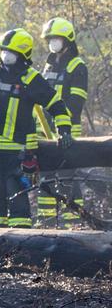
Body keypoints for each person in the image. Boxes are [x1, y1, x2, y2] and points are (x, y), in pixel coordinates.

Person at [0, 29, 72, 228]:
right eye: (4, 51)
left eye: (11, 52)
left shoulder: (31, 79)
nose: (6, 55)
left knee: (18, 200)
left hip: (17, 153)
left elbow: (55, 104)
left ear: (23, 54)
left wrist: (64, 129)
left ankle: (22, 247)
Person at [34, 18, 87, 227]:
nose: (52, 43)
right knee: (45, 178)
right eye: (49, 39)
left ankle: (74, 223)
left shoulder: (77, 66)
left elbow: (76, 102)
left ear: (67, 40)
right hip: (44, 131)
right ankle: (45, 223)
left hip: (67, 132)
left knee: (67, 178)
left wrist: (64, 128)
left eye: (55, 39)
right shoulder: (49, 65)